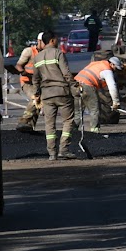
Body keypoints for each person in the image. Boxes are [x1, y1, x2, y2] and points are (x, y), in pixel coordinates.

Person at [32, 31, 78, 161]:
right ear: (52, 40)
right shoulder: (58, 53)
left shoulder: (37, 58)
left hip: (46, 94)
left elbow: (35, 79)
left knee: (49, 124)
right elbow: (67, 74)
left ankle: (52, 153)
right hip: (62, 92)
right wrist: (75, 87)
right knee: (68, 120)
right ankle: (64, 149)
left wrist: (36, 94)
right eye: (56, 39)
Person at [74, 57, 124, 133]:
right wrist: (116, 102)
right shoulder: (107, 70)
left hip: (75, 84)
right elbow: (112, 86)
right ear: (112, 64)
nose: (115, 70)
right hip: (87, 85)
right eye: (115, 68)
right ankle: (95, 131)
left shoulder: (97, 64)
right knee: (95, 109)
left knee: (78, 110)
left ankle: (73, 132)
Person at [14, 32, 44, 132]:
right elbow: (18, 65)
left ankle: (30, 126)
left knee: (39, 103)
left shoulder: (46, 53)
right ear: (39, 41)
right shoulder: (29, 51)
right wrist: (24, 73)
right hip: (27, 82)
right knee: (35, 99)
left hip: (38, 83)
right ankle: (23, 121)